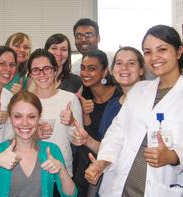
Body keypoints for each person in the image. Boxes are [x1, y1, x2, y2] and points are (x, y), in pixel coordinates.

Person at [85, 25, 183, 197]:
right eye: (148, 52)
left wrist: (173, 156)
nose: (154, 57)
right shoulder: (139, 90)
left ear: (179, 51)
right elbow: (116, 133)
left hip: (162, 188)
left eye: (162, 49)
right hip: (121, 187)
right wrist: (101, 163)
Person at [0, 90, 77, 197]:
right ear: (10, 118)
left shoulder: (51, 150)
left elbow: (71, 194)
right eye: (18, 116)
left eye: (31, 116)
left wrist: (61, 169)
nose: (25, 123)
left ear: (39, 118)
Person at [72, 46, 145, 196]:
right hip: (114, 182)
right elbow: (108, 148)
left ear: (141, 69)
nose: (124, 68)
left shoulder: (152, 102)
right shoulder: (113, 106)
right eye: (118, 63)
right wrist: (87, 140)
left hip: (141, 181)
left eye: (131, 63)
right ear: (113, 69)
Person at [27, 48, 82, 177]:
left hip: (61, 170)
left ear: (55, 71)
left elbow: (77, 140)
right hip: (31, 171)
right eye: (36, 70)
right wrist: (34, 135)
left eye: (47, 68)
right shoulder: (24, 101)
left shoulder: (69, 99)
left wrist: (72, 122)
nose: (42, 74)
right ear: (30, 74)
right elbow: (11, 139)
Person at [74, 49, 122, 196]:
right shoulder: (82, 97)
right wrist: (85, 114)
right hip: (90, 162)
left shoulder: (120, 95)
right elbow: (89, 138)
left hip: (116, 165)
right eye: (83, 68)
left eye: (92, 69)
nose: (85, 73)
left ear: (105, 72)